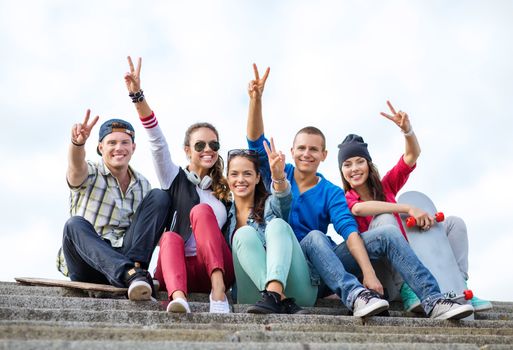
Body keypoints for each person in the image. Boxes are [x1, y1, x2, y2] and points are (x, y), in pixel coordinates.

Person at [245, 64, 474, 320]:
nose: (306, 154)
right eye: (301, 148)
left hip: (322, 271)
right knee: (313, 237)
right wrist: (255, 100)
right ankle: (355, 295)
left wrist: (369, 272)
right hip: (294, 268)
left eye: (313, 149)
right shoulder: (279, 171)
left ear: (324, 155)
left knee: (385, 231)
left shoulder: (331, 192)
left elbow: (349, 231)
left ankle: (434, 299)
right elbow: (255, 142)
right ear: (293, 150)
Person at [338, 100, 492, 312]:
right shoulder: (344, 197)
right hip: (385, 273)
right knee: (385, 221)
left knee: (455, 224)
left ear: (368, 164)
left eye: (359, 161)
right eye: (347, 164)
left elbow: (411, 156)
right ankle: (407, 289)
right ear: (342, 171)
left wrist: (408, 131)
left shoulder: (386, 186)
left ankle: (457, 286)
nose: (354, 168)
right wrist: (407, 208)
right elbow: (358, 210)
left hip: (414, 259)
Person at [124, 56, 234, 313]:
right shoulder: (174, 178)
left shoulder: (224, 192)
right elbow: (156, 141)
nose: (208, 150)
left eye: (214, 145)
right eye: (200, 145)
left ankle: (219, 296)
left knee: (201, 211)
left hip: (214, 271)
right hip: (178, 270)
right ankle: (179, 299)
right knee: (170, 237)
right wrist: (137, 96)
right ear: (187, 150)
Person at [57, 110, 171, 301]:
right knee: (73, 225)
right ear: (101, 147)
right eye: (112, 143)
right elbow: (76, 166)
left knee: (159, 196)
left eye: (124, 142)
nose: (119, 148)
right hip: (88, 262)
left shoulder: (142, 184)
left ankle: (135, 273)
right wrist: (78, 143)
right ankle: (131, 274)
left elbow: (147, 230)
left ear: (133, 147)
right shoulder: (91, 172)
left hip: (126, 255)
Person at [225, 139, 317, 314]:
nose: (241, 179)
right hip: (253, 295)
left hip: (297, 291)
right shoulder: (223, 216)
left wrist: (278, 177)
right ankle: (277, 297)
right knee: (243, 234)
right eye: (234, 174)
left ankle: (274, 293)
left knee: (277, 224)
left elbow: (283, 200)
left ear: (258, 177)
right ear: (228, 179)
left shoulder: (269, 205)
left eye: (247, 173)